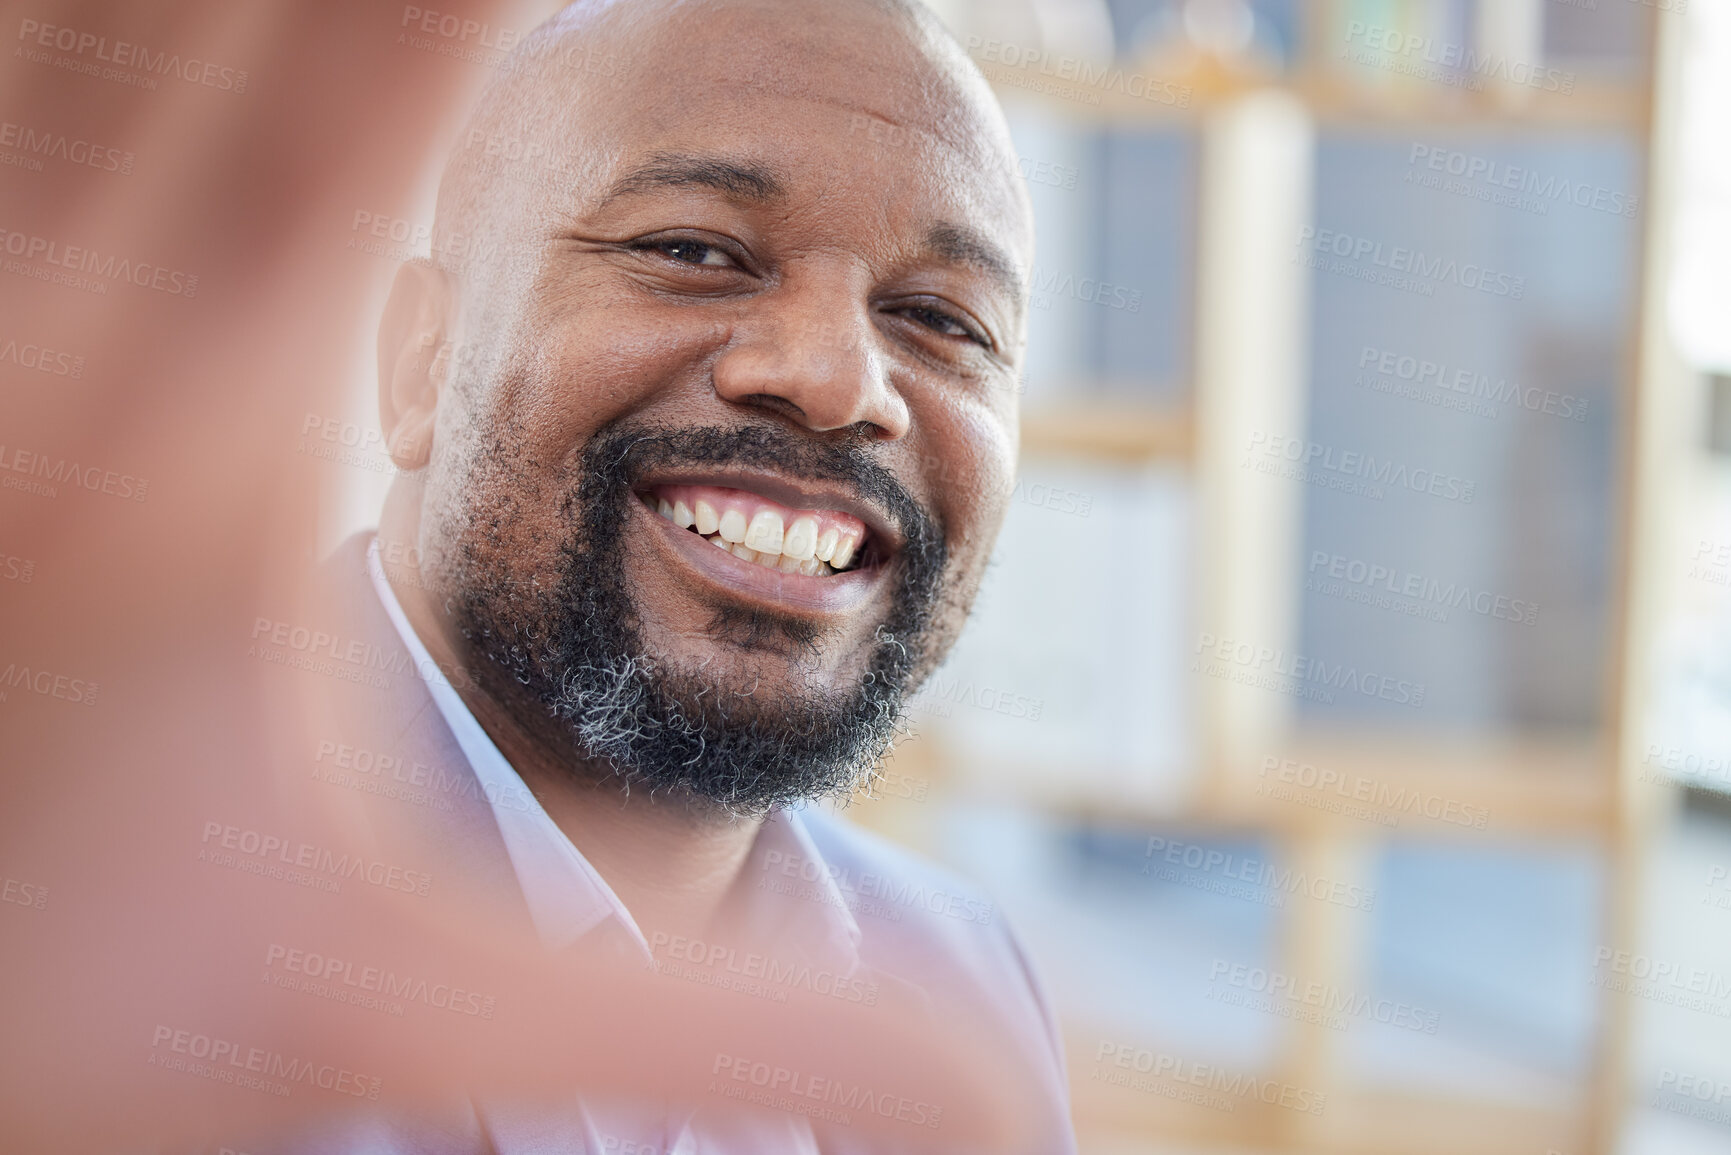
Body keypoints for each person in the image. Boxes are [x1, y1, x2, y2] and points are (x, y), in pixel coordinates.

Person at [288, 0, 1070, 1149]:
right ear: (422, 362)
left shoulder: (967, 990)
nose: (836, 381)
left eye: (940, 318)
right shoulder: (97, 936)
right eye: (694, 252)